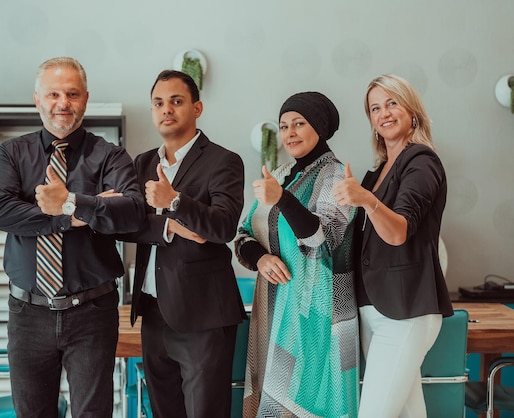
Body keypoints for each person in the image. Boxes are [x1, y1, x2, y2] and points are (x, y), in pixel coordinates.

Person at [0, 56, 145, 417]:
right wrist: (74, 216)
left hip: (92, 312)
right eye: (53, 94)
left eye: (72, 94)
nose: (63, 103)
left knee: (93, 413)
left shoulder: (110, 156)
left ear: (85, 99)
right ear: (37, 99)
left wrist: (70, 201)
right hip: (28, 312)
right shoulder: (12, 153)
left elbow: (132, 213)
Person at [123, 69, 247, 418]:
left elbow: (223, 227)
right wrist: (170, 226)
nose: (167, 109)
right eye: (159, 103)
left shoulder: (223, 161)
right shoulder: (143, 162)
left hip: (203, 314)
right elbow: (127, 226)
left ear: (197, 108)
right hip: (152, 311)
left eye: (176, 101)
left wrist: (175, 200)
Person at [332, 74, 453, 418]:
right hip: (375, 309)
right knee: (407, 414)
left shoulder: (422, 161)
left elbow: (398, 231)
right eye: (374, 108)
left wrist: (367, 201)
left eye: (392, 103)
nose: (383, 113)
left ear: (411, 110)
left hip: (405, 310)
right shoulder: (377, 172)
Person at [234, 92, 359, 417]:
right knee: (272, 398)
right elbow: (243, 234)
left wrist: (284, 201)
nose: (289, 132)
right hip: (275, 310)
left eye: (299, 124)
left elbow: (325, 243)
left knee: (304, 404)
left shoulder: (336, 177)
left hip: (319, 315)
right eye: (283, 125)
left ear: (318, 126)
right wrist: (260, 258)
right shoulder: (278, 174)